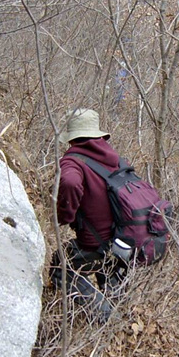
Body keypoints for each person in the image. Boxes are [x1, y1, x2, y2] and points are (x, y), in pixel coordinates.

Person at [49, 108, 126, 321]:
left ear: (72, 136)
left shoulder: (73, 161)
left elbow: (69, 182)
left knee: (61, 264)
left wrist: (65, 216)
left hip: (96, 243)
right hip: (124, 239)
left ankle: (107, 317)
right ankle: (118, 323)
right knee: (109, 267)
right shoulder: (114, 158)